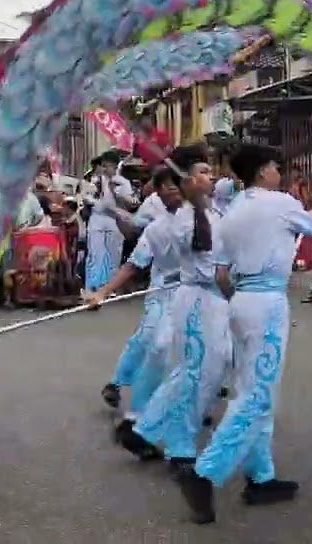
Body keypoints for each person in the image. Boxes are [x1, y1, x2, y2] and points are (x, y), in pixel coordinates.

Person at [178, 144, 312, 525]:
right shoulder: (278, 202)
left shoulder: (231, 212)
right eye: (277, 166)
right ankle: (205, 471)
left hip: (239, 301)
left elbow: (221, 274)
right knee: (257, 396)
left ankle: (261, 475)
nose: (280, 172)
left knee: (253, 389)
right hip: (266, 302)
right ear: (262, 171)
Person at [115, 148, 234, 472]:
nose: (211, 177)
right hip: (197, 299)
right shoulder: (185, 216)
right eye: (204, 171)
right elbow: (201, 245)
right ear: (189, 181)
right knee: (193, 372)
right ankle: (169, 441)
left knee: (206, 370)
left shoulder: (212, 211)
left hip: (214, 300)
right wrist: (195, 205)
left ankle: (150, 430)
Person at [96, 167, 185, 413]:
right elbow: (134, 264)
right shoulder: (156, 227)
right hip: (163, 291)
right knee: (151, 340)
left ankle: (190, 400)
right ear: (157, 193)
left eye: (176, 183)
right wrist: (103, 292)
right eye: (165, 185)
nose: (172, 188)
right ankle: (120, 387)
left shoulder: (207, 217)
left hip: (197, 294)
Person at [85, 151, 137, 292]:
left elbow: (131, 202)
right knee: (96, 254)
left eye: (109, 166)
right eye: (104, 166)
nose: (105, 169)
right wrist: (98, 204)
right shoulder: (95, 180)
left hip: (115, 220)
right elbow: (87, 197)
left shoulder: (122, 182)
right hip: (97, 219)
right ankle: (92, 287)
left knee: (113, 254)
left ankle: (109, 287)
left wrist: (116, 192)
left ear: (115, 167)